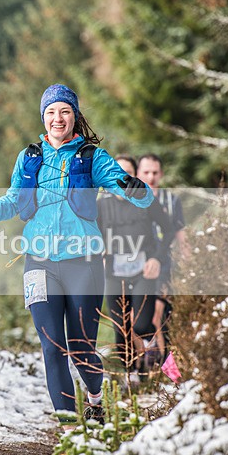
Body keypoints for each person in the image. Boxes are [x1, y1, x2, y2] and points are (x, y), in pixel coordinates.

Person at [0, 84, 153, 429]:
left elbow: (126, 187)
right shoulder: (29, 157)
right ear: (44, 117)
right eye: (51, 112)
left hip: (83, 263)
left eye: (65, 111)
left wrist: (136, 191)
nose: (58, 118)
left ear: (75, 116)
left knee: (81, 346)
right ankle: (70, 428)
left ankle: (96, 400)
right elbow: (13, 199)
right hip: (38, 263)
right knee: (52, 345)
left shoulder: (92, 157)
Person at [97, 155, 175, 384]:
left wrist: (157, 259)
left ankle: (168, 372)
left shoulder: (147, 200)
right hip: (114, 273)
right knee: (121, 328)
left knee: (143, 324)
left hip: (144, 271)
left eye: (127, 173)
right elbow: (89, 233)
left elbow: (168, 230)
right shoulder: (101, 204)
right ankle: (134, 375)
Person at [136, 154, 188, 355]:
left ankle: (167, 370)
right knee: (135, 320)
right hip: (136, 268)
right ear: (137, 173)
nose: (151, 177)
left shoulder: (171, 201)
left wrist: (189, 260)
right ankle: (140, 370)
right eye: (146, 172)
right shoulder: (131, 200)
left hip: (165, 266)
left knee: (159, 316)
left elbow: (180, 232)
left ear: (161, 174)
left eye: (155, 172)